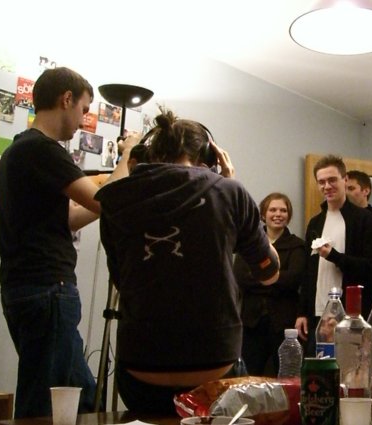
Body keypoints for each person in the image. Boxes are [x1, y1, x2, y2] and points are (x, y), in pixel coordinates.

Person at [95, 108, 280, 414]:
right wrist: (230, 188)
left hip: (139, 376)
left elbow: (121, 279)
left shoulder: (115, 198)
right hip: (214, 375)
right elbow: (270, 272)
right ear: (208, 157)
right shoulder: (229, 191)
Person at [0, 67, 136, 418]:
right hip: (48, 289)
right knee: (45, 404)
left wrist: (105, 196)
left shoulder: (19, 151)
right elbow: (108, 201)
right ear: (66, 99)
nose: (83, 119)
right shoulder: (42, 150)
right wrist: (126, 158)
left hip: (30, 289)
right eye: (84, 109)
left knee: (80, 398)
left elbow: (71, 217)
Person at [295, 155, 372, 356]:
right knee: (316, 369)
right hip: (318, 314)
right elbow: (308, 272)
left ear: (345, 179)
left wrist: (334, 256)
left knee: (352, 369)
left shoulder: (365, 219)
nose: (327, 186)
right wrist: (302, 312)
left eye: (332, 180)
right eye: (322, 182)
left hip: (352, 316)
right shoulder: (315, 223)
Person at [234, 192, 306, 376]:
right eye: (273, 210)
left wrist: (260, 278)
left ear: (288, 215)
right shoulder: (250, 244)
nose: (278, 214)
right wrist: (276, 280)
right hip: (252, 322)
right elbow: (241, 277)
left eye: (283, 210)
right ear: (263, 214)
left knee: (285, 376)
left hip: (284, 324)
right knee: (249, 376)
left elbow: (294, 279)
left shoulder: (297, 245)